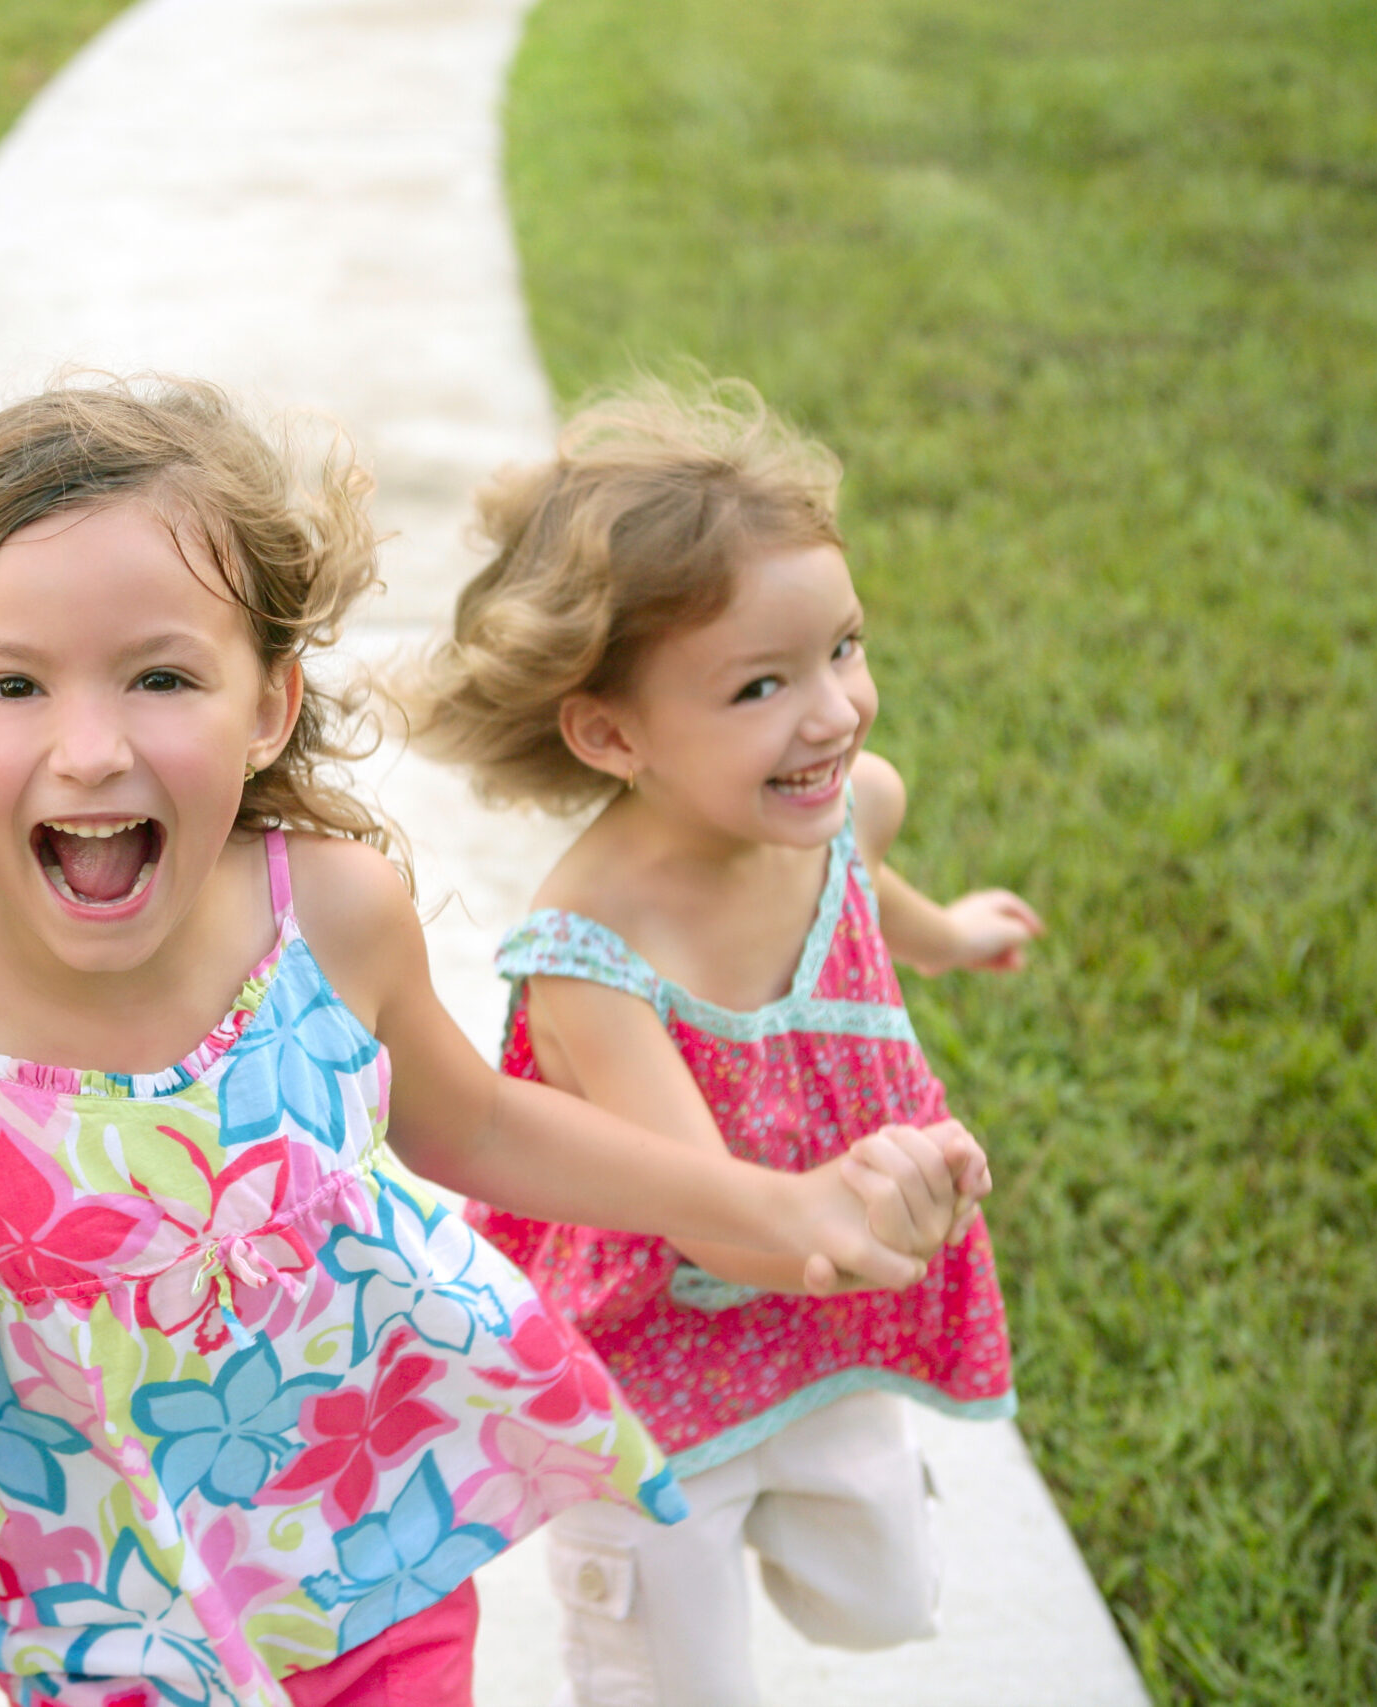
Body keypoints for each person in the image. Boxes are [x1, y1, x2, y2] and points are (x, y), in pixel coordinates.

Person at [0, 377, 987, 1707]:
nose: (90, 750)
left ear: (267, 702)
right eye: (13, 687)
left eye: (160, 675)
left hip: (387, 1555)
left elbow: (482, 1124)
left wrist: (780, 1207)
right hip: (112, 1636)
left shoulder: (325, 912)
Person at [403, 376, 1038, 1707]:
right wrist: (865, 1227)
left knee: (887, 1597)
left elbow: (878, 897)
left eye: (844, 648)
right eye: (761, 685)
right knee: (671, 1673)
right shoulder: (591, 951)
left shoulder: (847, 804)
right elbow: (705, 1222)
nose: (833, 710)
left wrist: (956, 936)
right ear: (610, 731)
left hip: (819, 1329)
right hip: (653, 1373)